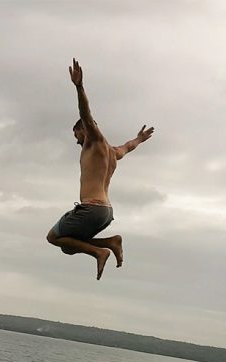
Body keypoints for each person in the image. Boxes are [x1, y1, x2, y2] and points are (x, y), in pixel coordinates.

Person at [46, 58, 154, 280]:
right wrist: (140, 138)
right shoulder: (113, 152)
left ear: (83, 129)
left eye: (76, 135)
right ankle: (110, 242)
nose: (76, 141)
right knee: (68, 246)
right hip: (105, 213)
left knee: (53, 238)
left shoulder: (93, 141)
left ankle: (99, 251)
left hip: (91, 208)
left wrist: (79, 86)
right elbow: (129, 146)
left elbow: (85, 113)